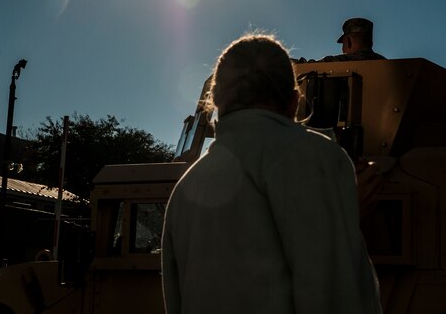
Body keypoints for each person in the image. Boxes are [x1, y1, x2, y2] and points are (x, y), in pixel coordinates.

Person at [162, 33, 382, 314]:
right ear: (293, 102)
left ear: (215, 102)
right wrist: (343, 211)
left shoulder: (184, 190)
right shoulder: (314, 155)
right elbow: (335, 293)